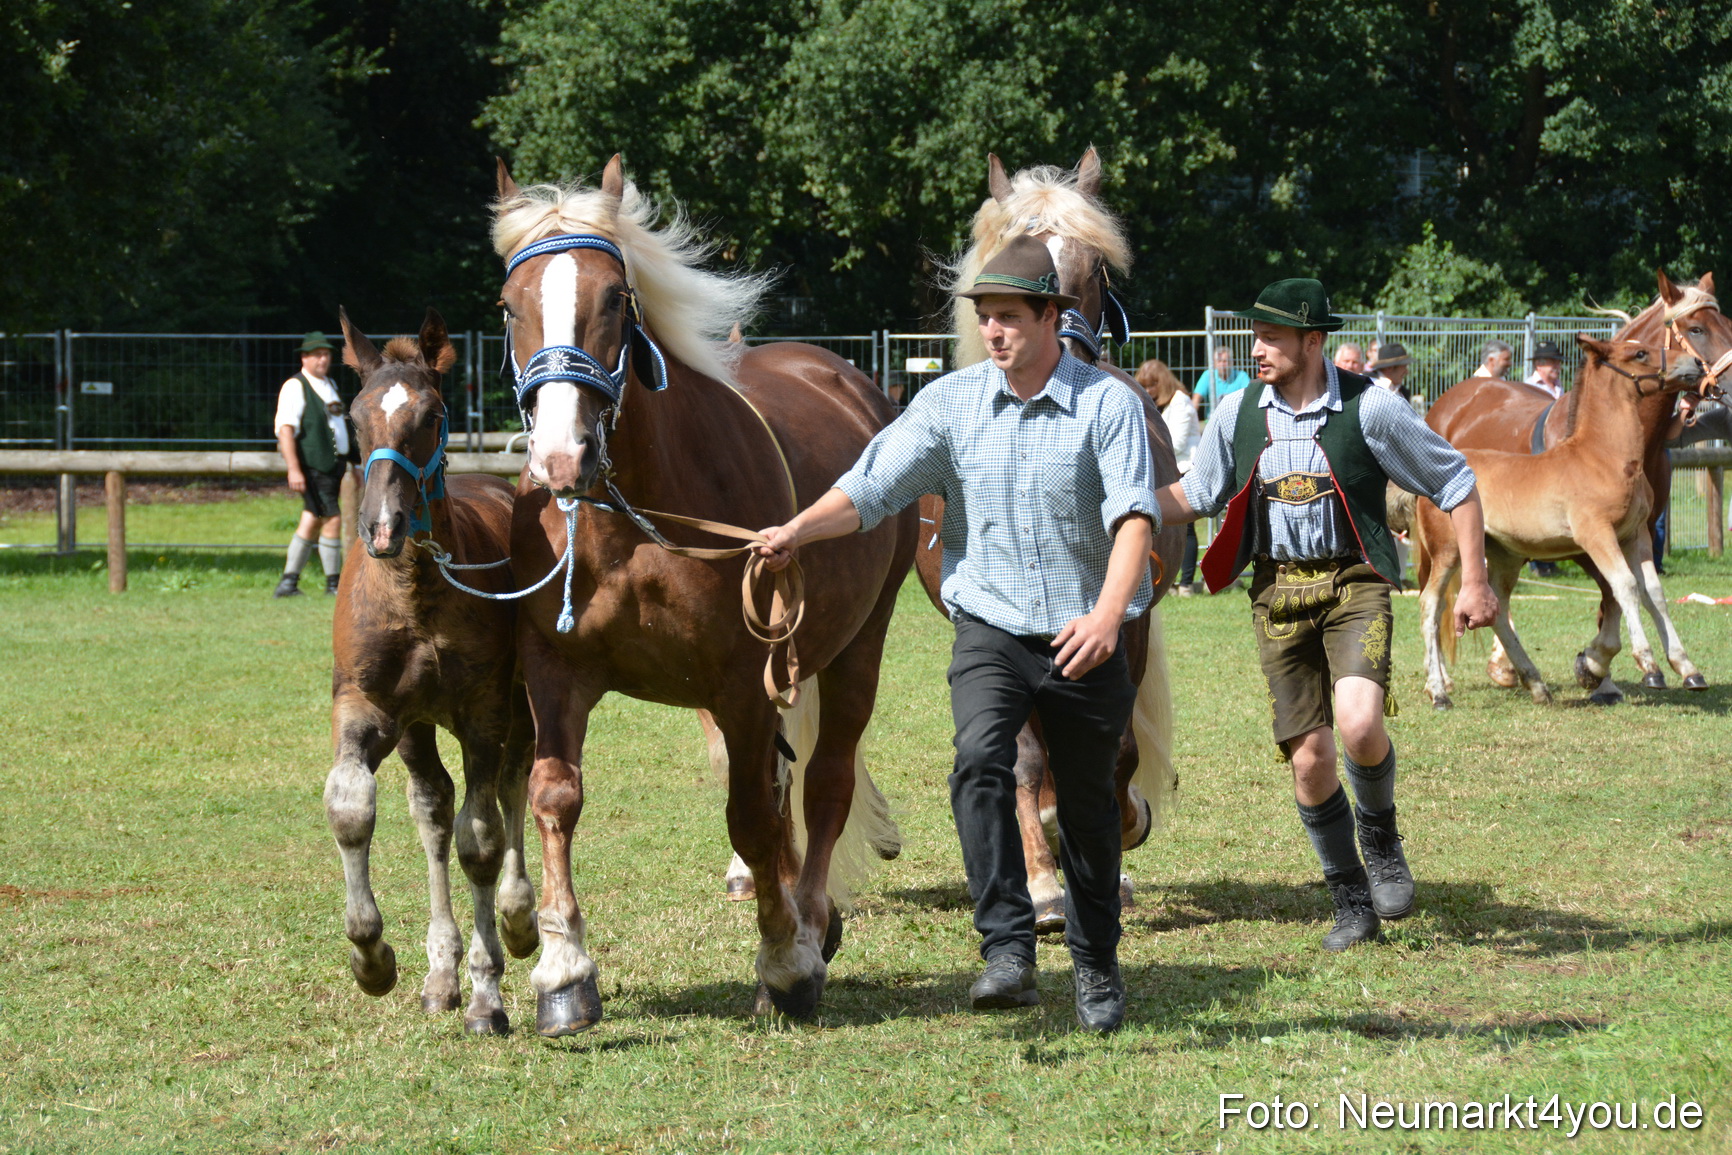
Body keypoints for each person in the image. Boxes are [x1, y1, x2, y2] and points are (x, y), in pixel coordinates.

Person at [754, 236, 1156, 1031]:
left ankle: (1097, 960)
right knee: (979, 763)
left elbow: (1135, 521)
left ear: (1052, 315)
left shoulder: (1108, 405)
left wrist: (1109, 616)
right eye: (986, 317)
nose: (994, 331)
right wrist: (796, 530)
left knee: (1085, 805)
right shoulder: (949, 404)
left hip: (1085, 629)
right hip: (992, 627)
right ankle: (1006, 947)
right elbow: (870, 486)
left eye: (1010, 316)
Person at [1153, 278, 1497, 952]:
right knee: (1310, 762)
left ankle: (1382, 836)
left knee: (1361, 723)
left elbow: (1457, 482)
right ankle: (1350, 900)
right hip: (1275, 593)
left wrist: (1475, 582)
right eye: (1255, 336)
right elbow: (1197, 492)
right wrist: (1123, 502)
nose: (1257, 349)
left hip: (1353, 582)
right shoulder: (1237, 412)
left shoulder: (1373, 409)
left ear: (1313, 342)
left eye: (1273, 337)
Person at [273, 331, 356, 597]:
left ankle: (288, 583)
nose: (323, 359)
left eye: (327, 354)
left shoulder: (328, 383)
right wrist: (294, 468)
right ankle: (334, 584)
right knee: (332, 518)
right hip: (314, 466)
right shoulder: (295, 386)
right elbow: (285, 430)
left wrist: (355, 462)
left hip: (333, 466)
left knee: (311, 519)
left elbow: (339, 428)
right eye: (318, 354)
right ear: (305, 357)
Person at [1137, 358, 1201, 593]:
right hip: (1170, 469)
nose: (1147, 390)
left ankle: (1186, 583)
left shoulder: (1181, 402)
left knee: (1187, 529)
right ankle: (1173, 582)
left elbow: (1176, 442)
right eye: (1144, 385)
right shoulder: (1159, 405)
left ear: (1162, 382)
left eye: (1151, 385)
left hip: (1185, 468)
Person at [1195, 344, 1251, 418]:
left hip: (1236, 420)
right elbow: (1196, 400)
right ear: (1214, 364)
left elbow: (1250, 398)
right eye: (1219, 361)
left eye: (1225, 361)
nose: (1222, 364)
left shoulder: (1242, 376)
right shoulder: (1208, 375)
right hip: (1212, 420)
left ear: (1231, 362)